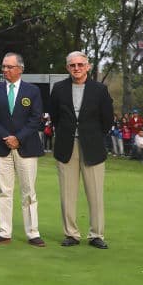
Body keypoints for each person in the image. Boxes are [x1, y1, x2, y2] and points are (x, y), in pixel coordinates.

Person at [46, 51, 114, 249]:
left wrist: (92, 134)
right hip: (66, 146)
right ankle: (71, 234)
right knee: (67, 193)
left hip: (92, 146)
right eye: (72, 65)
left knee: (95, 194)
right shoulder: (58, 89)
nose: (76, 68)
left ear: (88, 66)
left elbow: (107, 120)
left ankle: (96, 234)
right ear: (67, 68)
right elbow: (55, 115)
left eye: (80, 64)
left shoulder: (100, 89)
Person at [0, 53, 45, 247]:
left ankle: (33, 232)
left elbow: (36, 119)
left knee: (29, 192)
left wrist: (18, 138)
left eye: (9, 67)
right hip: (1, 147)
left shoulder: (32, 91)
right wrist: (7, 138)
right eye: (3, 67)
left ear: (20, 68)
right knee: (4, 190)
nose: (5, 70)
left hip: (26, 147)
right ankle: (4, 232)